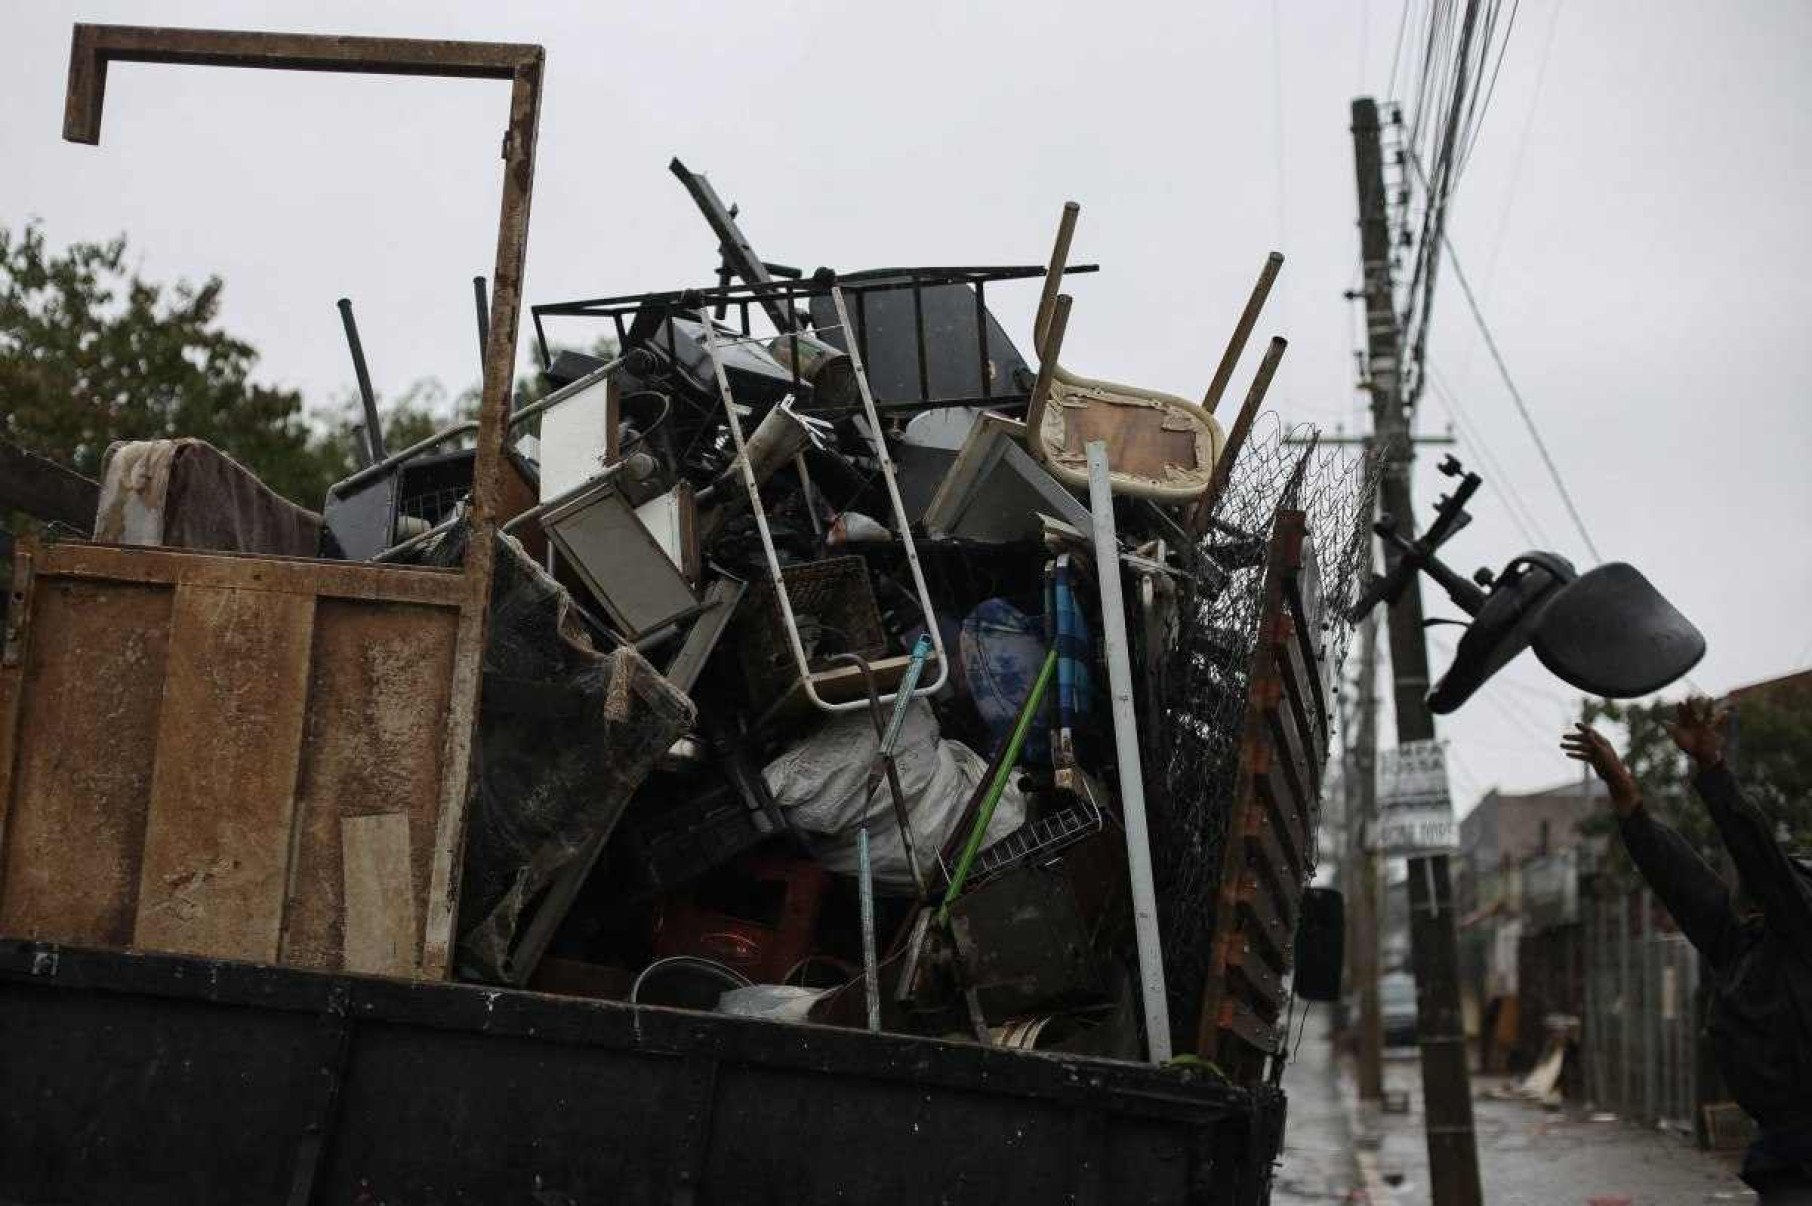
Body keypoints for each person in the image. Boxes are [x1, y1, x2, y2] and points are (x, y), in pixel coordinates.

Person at [1564, 699, 1812, 1201]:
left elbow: (1762, 859)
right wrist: (1627, 798)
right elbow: (1684, 883)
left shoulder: (1802, 933)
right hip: (1785, 1158)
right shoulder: (1748, 949)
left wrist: (1713, 769)